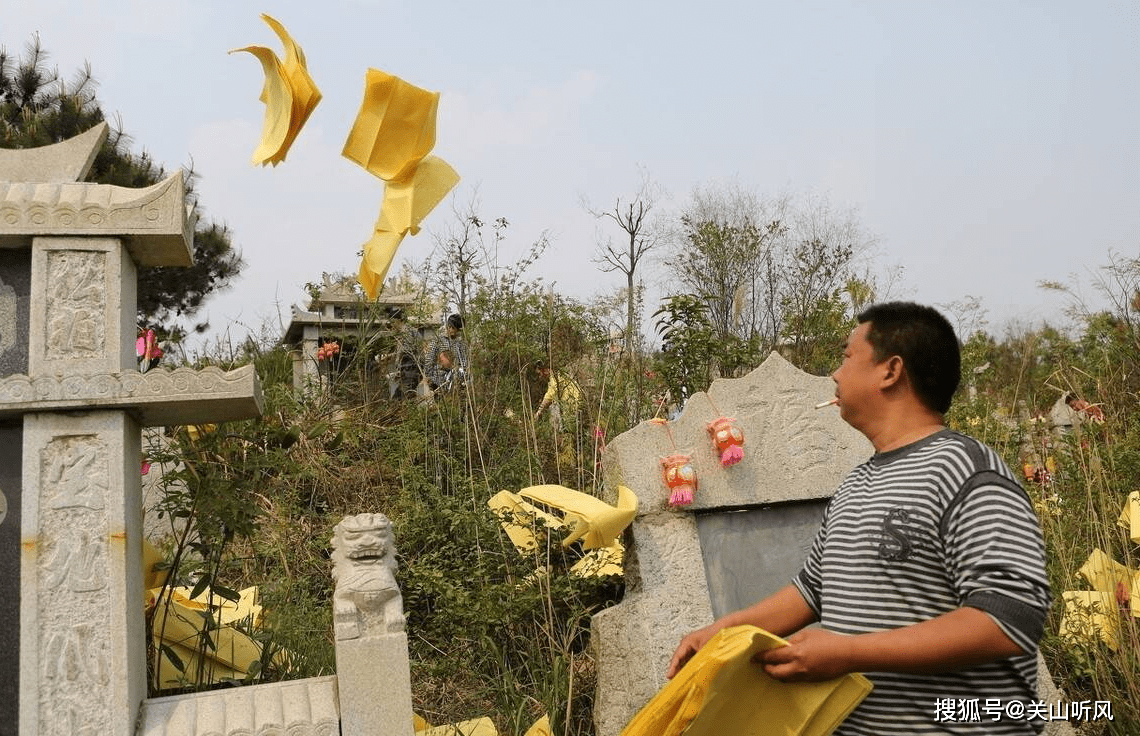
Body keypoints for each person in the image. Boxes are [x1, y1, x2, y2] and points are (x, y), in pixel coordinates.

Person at [666, 302, 1051, 735]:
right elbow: (812, 591)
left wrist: (849, 652)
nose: (835, 373)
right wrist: (719, 634)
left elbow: (1009, 619)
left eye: (847, 357)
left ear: (890, 371)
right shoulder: (856, 484)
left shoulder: (967, 472)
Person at [533, 360, 583, 432]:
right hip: (575, 404)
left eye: (540, 373)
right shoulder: (561, 375)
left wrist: (539, 411)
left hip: (572, 406)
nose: (540, 375)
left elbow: (550, 394)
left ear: (545, 370)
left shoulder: (555, 378)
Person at [425, 313, 469, 391]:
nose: (452, 330)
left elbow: (464, 362)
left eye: (455, 328)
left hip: (456, 382)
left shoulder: (461, 343)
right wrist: (431, 379)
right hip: (438, 380)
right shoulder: (437, 341)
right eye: (451, 327)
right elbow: (429, 361)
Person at [387, 309, 423, 399]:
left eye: (393, 322)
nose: (391, 325)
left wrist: (392, 356)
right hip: (405, 369)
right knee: (399, 395)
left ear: (399, 320)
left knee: (407, 395)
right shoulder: (403, 333)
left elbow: (409, 350)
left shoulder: (408, 332)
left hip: (411, 369)